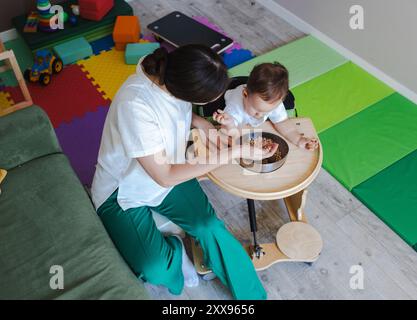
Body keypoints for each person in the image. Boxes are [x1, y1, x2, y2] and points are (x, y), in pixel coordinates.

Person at [91, 45, 277, 299]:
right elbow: (164, 175)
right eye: (208, 99)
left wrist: (201, 123)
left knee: (209, 226)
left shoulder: (171, 74)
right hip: (121, 190)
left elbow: (178, 110)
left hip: (169, 167)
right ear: (188, 90)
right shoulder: (135, 105)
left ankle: (254, 297)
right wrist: (234, 152)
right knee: (154, 269)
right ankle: (176, 251)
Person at [213, 62, 319, 150]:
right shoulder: (235, 107)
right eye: (257, 110)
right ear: (245, 94)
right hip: (231, 99)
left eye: (267, 111)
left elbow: (283, 123)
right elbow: (229, 133)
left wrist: (299, 140)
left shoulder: (273, 103)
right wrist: (229, 123)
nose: (260, 115)